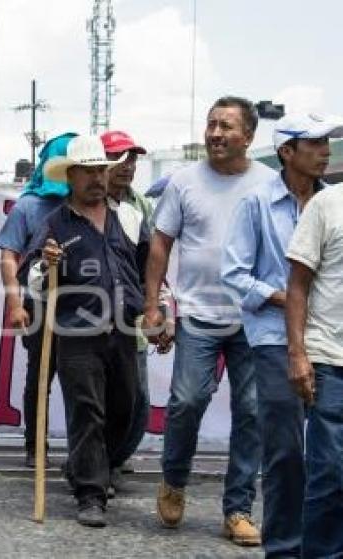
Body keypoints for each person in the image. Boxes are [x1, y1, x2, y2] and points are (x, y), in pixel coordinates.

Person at [144, 96, 275, 545]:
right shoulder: (183, 182)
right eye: (211, 124)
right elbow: (161, 245)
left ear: (249, 137)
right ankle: (174, 480)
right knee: (186, 401)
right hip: (198, 314)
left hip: (254, 318)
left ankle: (237, 509)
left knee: (254, 411)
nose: (216, 134)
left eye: (227, 127)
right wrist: (153, 305)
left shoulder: (269, 183)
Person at [221, 113, 342, 557]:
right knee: (287, 450)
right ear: (286, 152)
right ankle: (286, 547)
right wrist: (282, 298)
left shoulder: (334, 203)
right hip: (275, 338)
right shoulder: (256, 203)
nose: (325, 150)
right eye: (313, 143)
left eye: (327, 141)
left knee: (331, 455)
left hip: (330, 338)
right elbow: (233, 273)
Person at [23, 134, 146, 527]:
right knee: (87, 411)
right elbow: (34, 282)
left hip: (124, 330)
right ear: (71, 176)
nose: (97, 178)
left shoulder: (128, 216)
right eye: (88, 172)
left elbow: (147, 269)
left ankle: (84, 466)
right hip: (76, 333)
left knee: (126, 408)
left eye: (101, 171)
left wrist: (157, 308)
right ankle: (91, 494)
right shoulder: (55, 223)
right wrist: (47, 264)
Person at [0, 132, 76, 469]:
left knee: (82, 380)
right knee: (39, 377)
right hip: (39, 303)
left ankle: (84, 452)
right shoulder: (28, 206)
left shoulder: (90, 203)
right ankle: (35, 444)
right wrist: (15, 304)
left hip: (83, 304)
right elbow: (9, 257)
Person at [285, 138, 343, 559]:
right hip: (330, 360)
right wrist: (298, 354)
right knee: (329, 474)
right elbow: (298, 286)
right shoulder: (327, 205)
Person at [101, 130, 152, 484]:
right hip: (88, 320)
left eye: (132, 159)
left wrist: (155, 307)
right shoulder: (83, 203)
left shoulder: (141, 207)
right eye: (119, 158)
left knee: (136, 400)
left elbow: (152, 264)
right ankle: (96, 466)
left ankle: (113, 457)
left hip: (131, 317)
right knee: (95, 400)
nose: (127, 166)